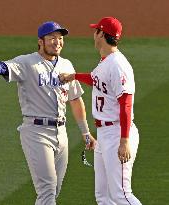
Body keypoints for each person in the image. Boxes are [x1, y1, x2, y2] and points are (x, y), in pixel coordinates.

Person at [0, 21, 96, 205]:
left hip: (62, 133)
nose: (57, 42)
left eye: (60, 38)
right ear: (40, 41)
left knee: (53, 191)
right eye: (52, 38)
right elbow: (3, 67)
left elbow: (75, 100)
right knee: (47, 189)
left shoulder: (67, 65)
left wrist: (85, 132)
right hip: (36, 133)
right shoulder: (27, 62)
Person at [59, 17, 142, 205]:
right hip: (104, 134)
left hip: (117, 134)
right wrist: (74, 76)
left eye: (96, 30)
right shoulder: (106, 62)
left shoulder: (118, 64)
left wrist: (124, 141)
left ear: (102, 35)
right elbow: (97, 79)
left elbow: (126, 103)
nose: (93, 34)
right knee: (103, 197)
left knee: (121, 194)